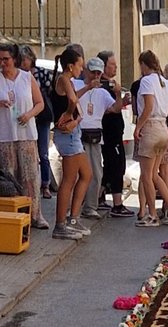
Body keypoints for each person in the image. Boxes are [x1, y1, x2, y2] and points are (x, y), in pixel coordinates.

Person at [0, 42, 49, 227]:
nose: (3, 63)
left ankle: (35, 215)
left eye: (6, 59)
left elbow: (40, 103)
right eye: (0, 59)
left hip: (26, 133)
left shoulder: (27, 78)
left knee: (30, 176)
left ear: (14, 59)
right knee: (8, 176)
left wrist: (29, 115)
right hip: (4, 135)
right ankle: (12, 216)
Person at [133, 50, 168, 228]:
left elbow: (148, 106)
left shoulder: (146, 81)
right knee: (155, 173)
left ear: (144, 65)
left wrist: (138, 127)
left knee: (146, 175)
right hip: (163, 128)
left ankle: (152, 214)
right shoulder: (165, 82)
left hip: (151, 127)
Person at [50, 46, 91, 239]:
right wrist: (69, 115)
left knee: (86, 174)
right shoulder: (64, 80)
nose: (81, 70)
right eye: (80, 66)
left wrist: (88, 88)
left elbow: (74, 98)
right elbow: (72, 101)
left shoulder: (67, 81)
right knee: (69, 179)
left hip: (72, 133)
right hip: (67, 134)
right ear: (70, 66)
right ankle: (60, 224)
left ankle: (72, 219)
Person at [75, 57, 116, 220]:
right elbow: (72, 99)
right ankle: (75, 208)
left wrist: (120, 96)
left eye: (99, 73)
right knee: (78, 174)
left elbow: (114, 108)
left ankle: (91, 206)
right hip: (78, 134)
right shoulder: (77, 84)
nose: (96, 76)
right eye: (93, 72)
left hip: (95, 135)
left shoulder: (103, 92)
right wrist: (87, 87)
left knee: (96, 173)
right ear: (86, 71)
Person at [96, 51, 133, 216]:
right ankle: (117, 204)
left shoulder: (110, 85)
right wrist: (118, 95)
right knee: (117, 166)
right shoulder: (103, 87)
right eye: (112, 64)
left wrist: (123, 101)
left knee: (111, 166)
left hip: (115, 131)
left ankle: (99, 196)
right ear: (103, 67)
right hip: (110, 133)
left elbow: (114, 107)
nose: (116, 67)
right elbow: (108, 109)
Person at [17, 46, 56, 199]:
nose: (23, 62)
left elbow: (47, 93)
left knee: (43, 152)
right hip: (25, 117)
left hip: (41, 117)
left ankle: (45, 184)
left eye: (25, 59)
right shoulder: (18, 76)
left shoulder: (42, 73)